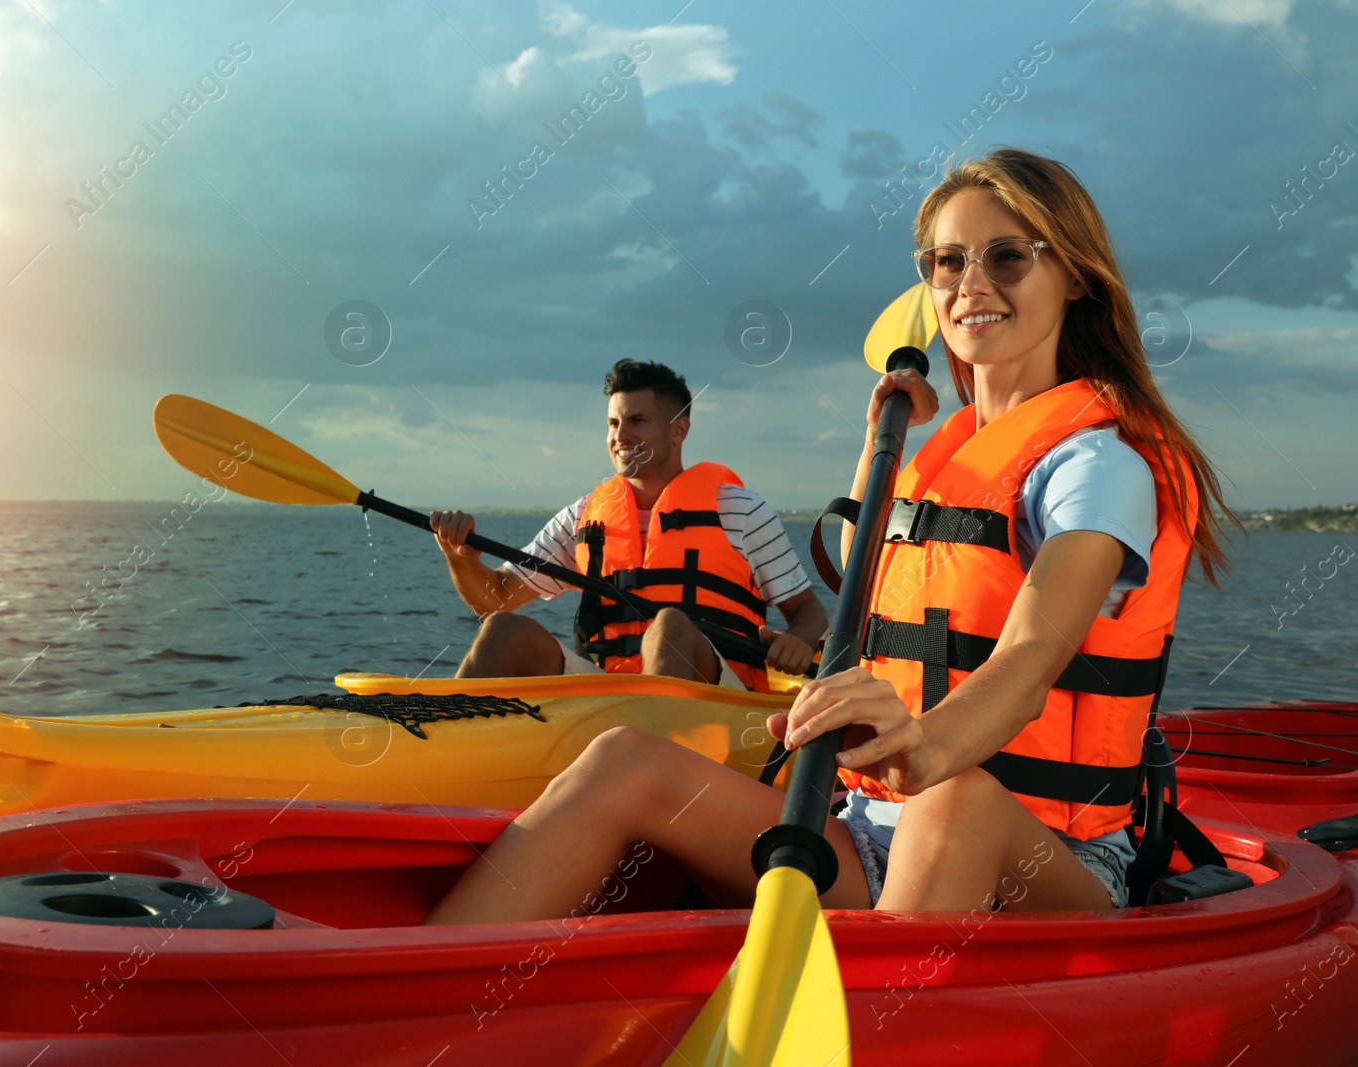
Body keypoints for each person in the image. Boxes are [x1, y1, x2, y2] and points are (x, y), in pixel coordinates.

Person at [422, 148, 1234, 925]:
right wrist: (881, 431)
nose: (969, 284)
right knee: (624, 758)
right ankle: (419, 992)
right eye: (947, 262)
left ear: (1075, 278)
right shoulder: (943, 451)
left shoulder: (1099, 465)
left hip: (1041, 857)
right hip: (871, 830)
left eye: (1008, 257)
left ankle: (864, 1019)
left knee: (951, 800)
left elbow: (1030, 660)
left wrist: (921, 746)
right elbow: (860, 575)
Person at [429, 359, 828, 692]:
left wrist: (800, 641)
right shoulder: (583, 516)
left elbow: (808, 611)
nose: (621, 436)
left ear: (678, 430)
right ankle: (441, 745)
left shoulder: (740, 510)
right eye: (613, 423)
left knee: (669, 626)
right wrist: (457, 554)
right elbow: (494, 599)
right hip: (607, 693)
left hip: (719, 696)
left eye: (637, 420)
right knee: (503, 630)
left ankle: (649, 762)